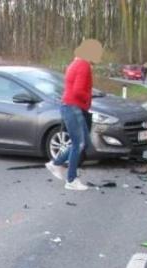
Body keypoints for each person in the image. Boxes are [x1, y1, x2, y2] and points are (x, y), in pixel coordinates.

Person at [45, 39, 103, 191]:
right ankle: (71, 180)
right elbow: (78, 91)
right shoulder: (84, 65)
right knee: (79, 144)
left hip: (69, 107)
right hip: (74, 107)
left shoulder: (74, 64)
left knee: (80, 142)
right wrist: (88, 99)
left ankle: (55, 163)